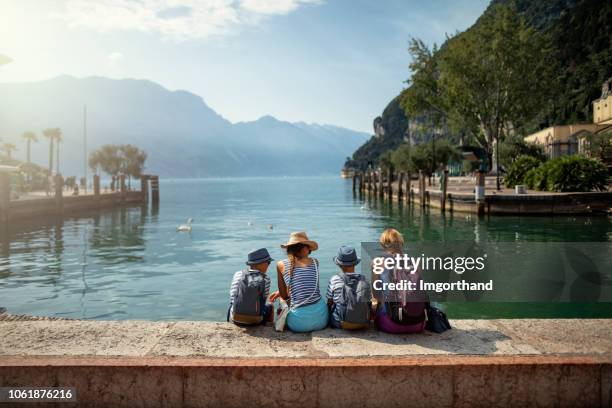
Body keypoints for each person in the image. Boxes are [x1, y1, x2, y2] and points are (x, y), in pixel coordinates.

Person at [271, 231, 328, 332]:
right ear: (306, 248)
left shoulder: (281, 264)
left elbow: (284, 296)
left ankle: (279, 321)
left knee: (282, 300)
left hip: (298, 325)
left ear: (290, 249)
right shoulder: (315, 262)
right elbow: (307, 286)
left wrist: (280, 293)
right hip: (321, 320)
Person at [371, 228, 426, 334]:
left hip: (392, 325)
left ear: (383, 245)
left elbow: (376, 295)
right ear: (401, 243)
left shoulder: (377, 262)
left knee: (375, 304)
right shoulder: (415, 262)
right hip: (418, 324)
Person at [326, 245, 371, 329]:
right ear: (355, 263)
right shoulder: (364, 279)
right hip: (363, 322)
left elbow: (329, 302)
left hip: (341, 323)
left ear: (339, 265)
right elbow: (368, 302)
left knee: (331, 307)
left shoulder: (334, 279)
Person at [227, 248, 275, 326]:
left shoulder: (238, 274)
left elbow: (233, 297)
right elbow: (263, 300)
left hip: (235, 318)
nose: (268, 265)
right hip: (256, 321)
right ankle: (268, 328)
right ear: (260, 263)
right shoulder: (266, 278)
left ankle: (229, 323)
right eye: (268, 262)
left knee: (232, 304)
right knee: (270, 306)